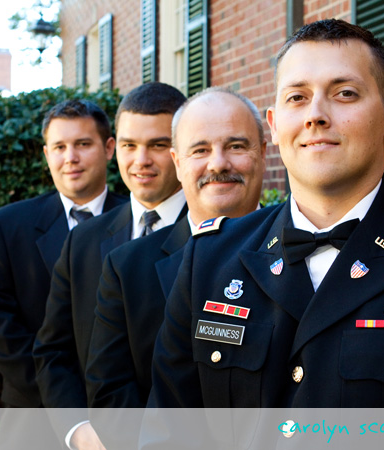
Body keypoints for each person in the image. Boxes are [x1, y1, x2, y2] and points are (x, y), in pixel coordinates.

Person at [147, 18, 384, 415]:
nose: (315, 115)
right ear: (275, 125)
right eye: (297, 98)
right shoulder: (208, 260)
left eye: (345, 93)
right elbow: (167, 430)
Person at [85, 88, 266, 426]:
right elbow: (110, 396)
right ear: (178, 162)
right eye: (200, 150)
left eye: (236, 146)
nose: (218, 163)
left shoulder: (305, 247)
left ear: (263, 153)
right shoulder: (126, 270)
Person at [32, 82, 186, 450]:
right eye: (130, 145)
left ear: (181, 150)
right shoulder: (83, 242)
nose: (141, 160)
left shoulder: (214, 234)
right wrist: (78, 430)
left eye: (158, 145)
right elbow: (54, 350)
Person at [0, 99, 127, 449]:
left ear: (108, 148)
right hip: (34, 418)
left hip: (124, 416)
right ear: (46, 154)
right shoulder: (6, 227)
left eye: (83, 144)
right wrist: (65, 402)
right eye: (59, 147)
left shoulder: (143, 220)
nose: (69, 157)